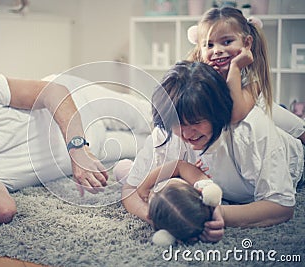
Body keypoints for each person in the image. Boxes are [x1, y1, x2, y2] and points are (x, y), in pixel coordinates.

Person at [0, 72, 152, 223]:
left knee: (161, 117)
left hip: (82, 104)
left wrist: (77, 150)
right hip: (101, 148)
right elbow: (3, 210)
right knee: (160, 147)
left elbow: (53, 91)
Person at [118, 61, 303, 243]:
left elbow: (281, 207)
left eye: (196, 122)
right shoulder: (166, 132)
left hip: (296, 162)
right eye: (179, 124)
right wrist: (158, 218)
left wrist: (215, 214)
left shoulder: (250, 132)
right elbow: (131, 190)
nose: (187, 134)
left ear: (218, 113)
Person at [187, 7, 305, 144]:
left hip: (266, 110)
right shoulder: (199, 76)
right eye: (209, 45)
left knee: (299, 131)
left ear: (247, 43)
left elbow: (236, 114)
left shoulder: (251, 79)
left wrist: (235, 68)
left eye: (227, 42)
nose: (217, 50)